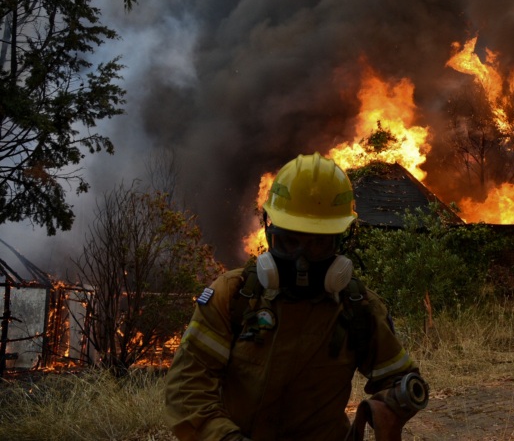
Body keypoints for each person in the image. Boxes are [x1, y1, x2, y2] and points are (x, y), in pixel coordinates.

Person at [165, 153, 428, 441]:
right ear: (269, 230)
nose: (301, 260)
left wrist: (390, 404)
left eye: (317, 243)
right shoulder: (233, 296)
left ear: (340, 240)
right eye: (290, 241)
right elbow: (187, 387)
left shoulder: (358, 307)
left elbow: (398, 379)